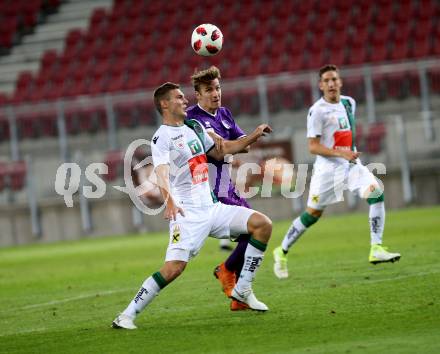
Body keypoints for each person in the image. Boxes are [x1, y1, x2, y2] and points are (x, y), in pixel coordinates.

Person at [112, 82, 273, 329]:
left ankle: (242, 290)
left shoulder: (194, 127)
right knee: (174, 269)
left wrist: (253, 135)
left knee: (262, 225)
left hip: (212, 207)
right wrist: (169, 202)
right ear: (164, 104)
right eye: (178, 97)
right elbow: (162, 173)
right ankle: (127, 315)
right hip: (187, 213)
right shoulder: (161, 137)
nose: (185, 100)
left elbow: (222, 152)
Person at [272, 64, 401, 279]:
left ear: (340, 82)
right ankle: (282, 250)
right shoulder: (317, 111)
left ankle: (376, 248)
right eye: (327, 81)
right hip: (327, 172)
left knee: (376, 193)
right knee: (312, 215)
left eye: (334, 79)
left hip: (351, 166)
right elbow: (312, 147)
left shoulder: (349, 103)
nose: (331, 83)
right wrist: (342, 153)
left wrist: (348, 153)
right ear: (321, 85)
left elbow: (345, 133)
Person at [186, 66, 252, 311]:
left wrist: (239, 142)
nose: (215, 94)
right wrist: (240, 141)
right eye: (208, 90)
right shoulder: (193, 119)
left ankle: (237, 293)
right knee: (256, 230)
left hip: (228, 185)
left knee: (255, 232)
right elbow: (224, 146)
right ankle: (227, 272)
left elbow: (243, 146)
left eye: (217, 88)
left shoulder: (225, 114)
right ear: (198, 94)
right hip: (211, 189)